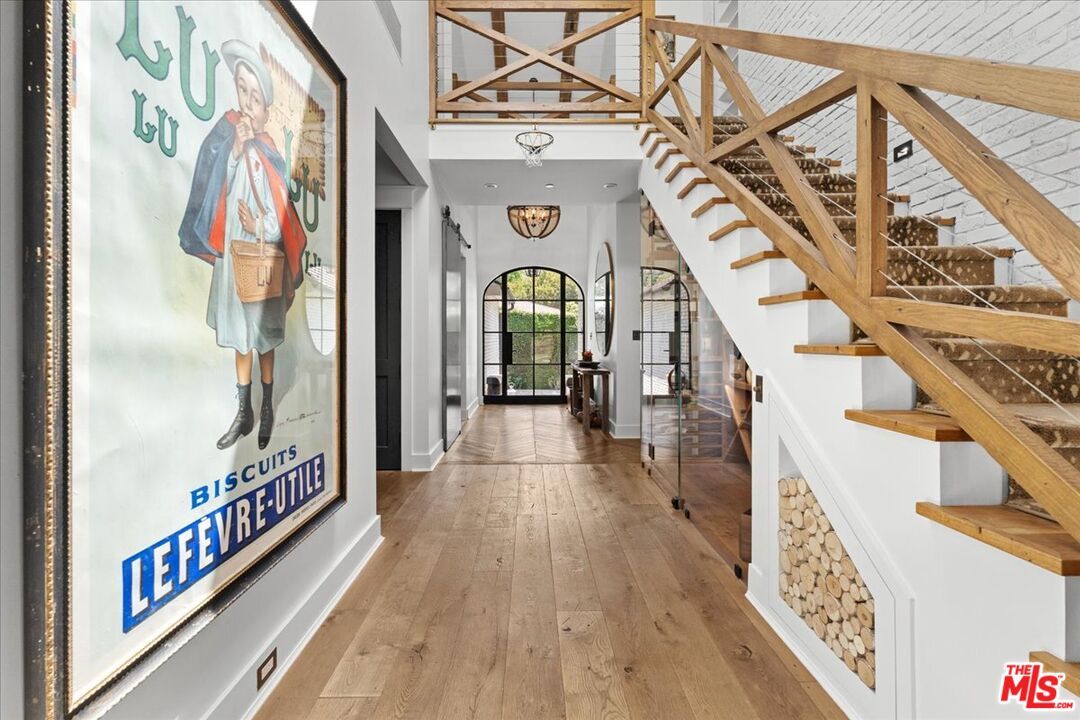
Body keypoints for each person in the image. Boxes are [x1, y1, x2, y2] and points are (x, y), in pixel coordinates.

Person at [179, 39, 307, 451]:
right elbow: (214, 189)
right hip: (235, 260)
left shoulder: (271, 156)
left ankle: (265, 405)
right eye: (243, 91)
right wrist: (234, 150)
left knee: (264, 338)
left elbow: (281, 218)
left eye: (256, 97)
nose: (248, 103)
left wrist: (261, 223)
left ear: (267, 109)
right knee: (240, 339)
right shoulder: (227, 141)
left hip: (262, 262)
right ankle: (243, 410)